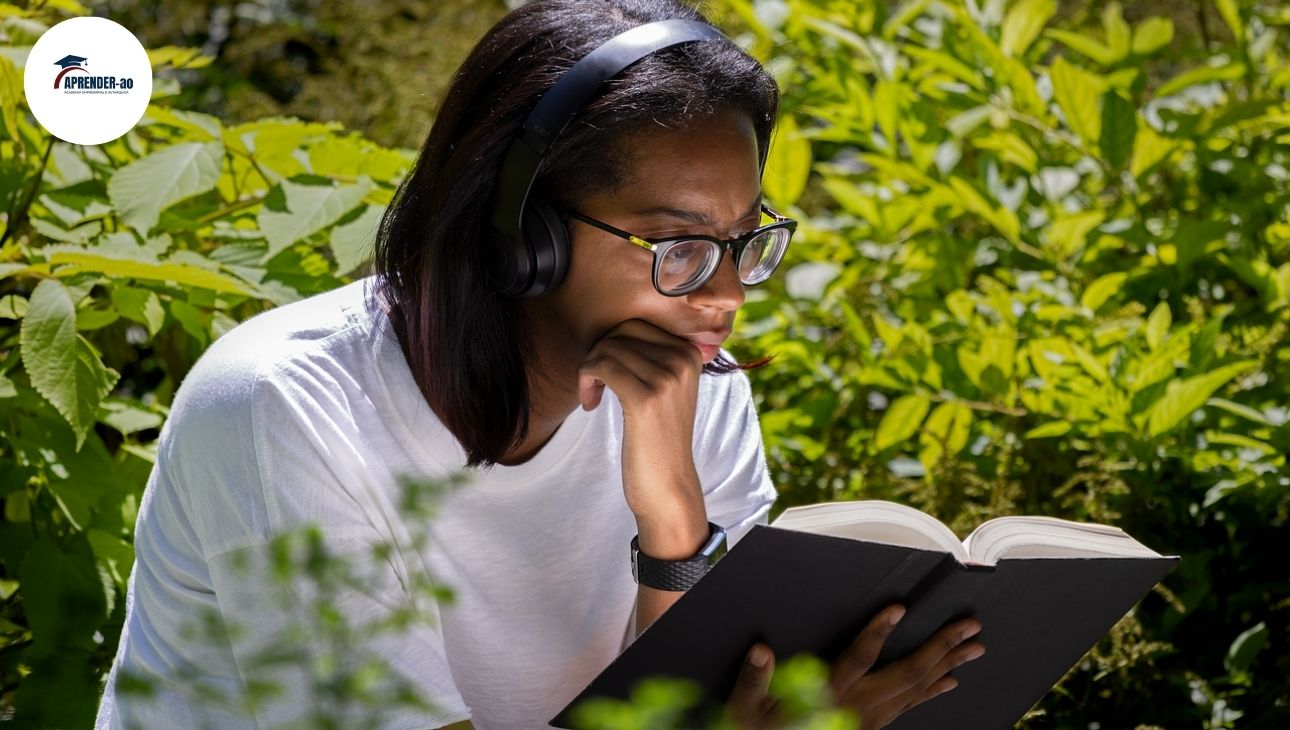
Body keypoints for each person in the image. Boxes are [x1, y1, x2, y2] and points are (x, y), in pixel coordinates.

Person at [95, 1, 984, 728]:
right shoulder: (283, 406)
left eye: (744, 240)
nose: (725, 296)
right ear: (527, 235)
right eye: (678, 245)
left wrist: (674, 522)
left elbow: (692, 708)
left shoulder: (693, 392)